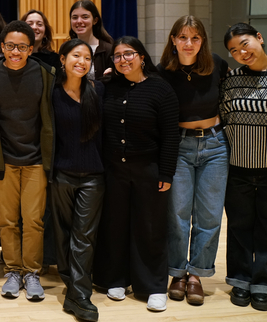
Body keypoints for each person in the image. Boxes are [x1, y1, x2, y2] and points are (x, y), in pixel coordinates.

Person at [93, 36, 180, 312]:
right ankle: (117, 278)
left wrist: (166, 172)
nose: (123, 60)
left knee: (150, 227)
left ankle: (153, 286)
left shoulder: (160, 89)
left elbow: (170, 136)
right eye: (117, 56)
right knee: (115, 225)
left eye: (128, 54)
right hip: (114, 170)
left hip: (149, 170)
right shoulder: (108, 87)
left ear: (142, 56)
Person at [0, 20, 56, 301]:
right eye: (10, 46)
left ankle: (32, 273)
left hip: (36, 160)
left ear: (31, 48)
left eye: (22, 46)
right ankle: (13, 270)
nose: (15, 51)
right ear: (1, 47)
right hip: (4, 159)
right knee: (8, 221)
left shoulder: (46, 74)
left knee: (34, 220)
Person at [158, 16, 230, 306]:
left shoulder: (217, 65)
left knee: (210, 215)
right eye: (183, 37)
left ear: (202, 41)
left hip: (215, 144)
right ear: (173, 40)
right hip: (180, 145)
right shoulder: (162, 72)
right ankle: (177, 272)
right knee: (177, 215)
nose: (189, 44)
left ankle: (197, 274)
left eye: (195, 38)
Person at [220, 23, 267, 312]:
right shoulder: (231, 79)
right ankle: (239, 279)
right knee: (239, 227)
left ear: (259, 38)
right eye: (234, 50)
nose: (241, 52)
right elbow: (223, 116)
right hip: (237, 168)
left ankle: (263, 284)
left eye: (245, 43)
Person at [51, 39, 104, 322]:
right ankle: (72, 287)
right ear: (63, 59)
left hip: (93, 176)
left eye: (87, 57)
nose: (81, 61)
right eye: (75, 55)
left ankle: (80, 295)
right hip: (61, 173)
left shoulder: (98, 91)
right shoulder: (52, 93)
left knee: (84, 236)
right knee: (62, 234)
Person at [20, 9, 59, 272]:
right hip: (16, 138)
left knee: (41, 206)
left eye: (39, 23)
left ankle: (43, 257)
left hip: (43, 136)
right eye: (29, 23)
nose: (35, 26)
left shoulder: (54, 59)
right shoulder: (12, 57)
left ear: (45, 28)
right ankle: (18, 254)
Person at [68, 0, 113, 79]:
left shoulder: (108, 49)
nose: (79, 21)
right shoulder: (67, 49)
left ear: (95, 21)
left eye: (85, 17)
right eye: (75, 17)